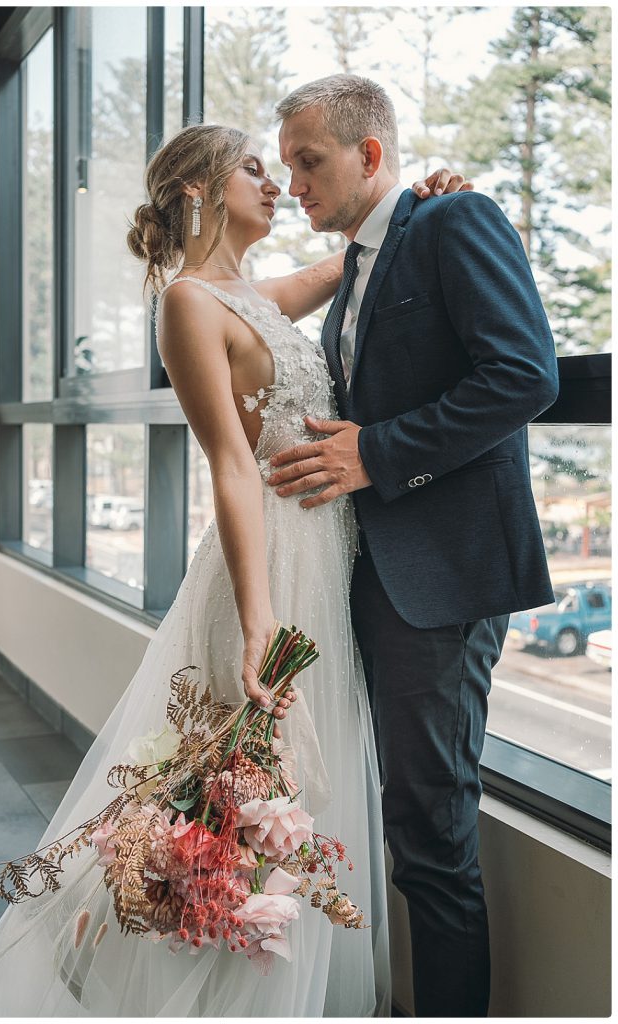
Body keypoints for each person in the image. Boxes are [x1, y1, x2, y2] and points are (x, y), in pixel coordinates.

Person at [0, 120, 466, 1017]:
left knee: (280, 788)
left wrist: (420, 199)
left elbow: (353, 256)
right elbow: (229, 462)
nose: (277, 185)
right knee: (240, 791)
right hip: (267, 562)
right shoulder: (187, 302)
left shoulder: (255, 296)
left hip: (323, 551)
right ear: (199, 192)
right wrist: (259, 619)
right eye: (255, 169)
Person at [269, 74, 560, 1018]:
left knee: (430, 839)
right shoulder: (355, 263)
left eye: (309, 163)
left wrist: (374, 453)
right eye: (284, 168)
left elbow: (524, 375)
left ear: (370, 154)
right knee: (395, 823)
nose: (295, 184)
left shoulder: (452, 219)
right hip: (366, 574)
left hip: (441, 582)